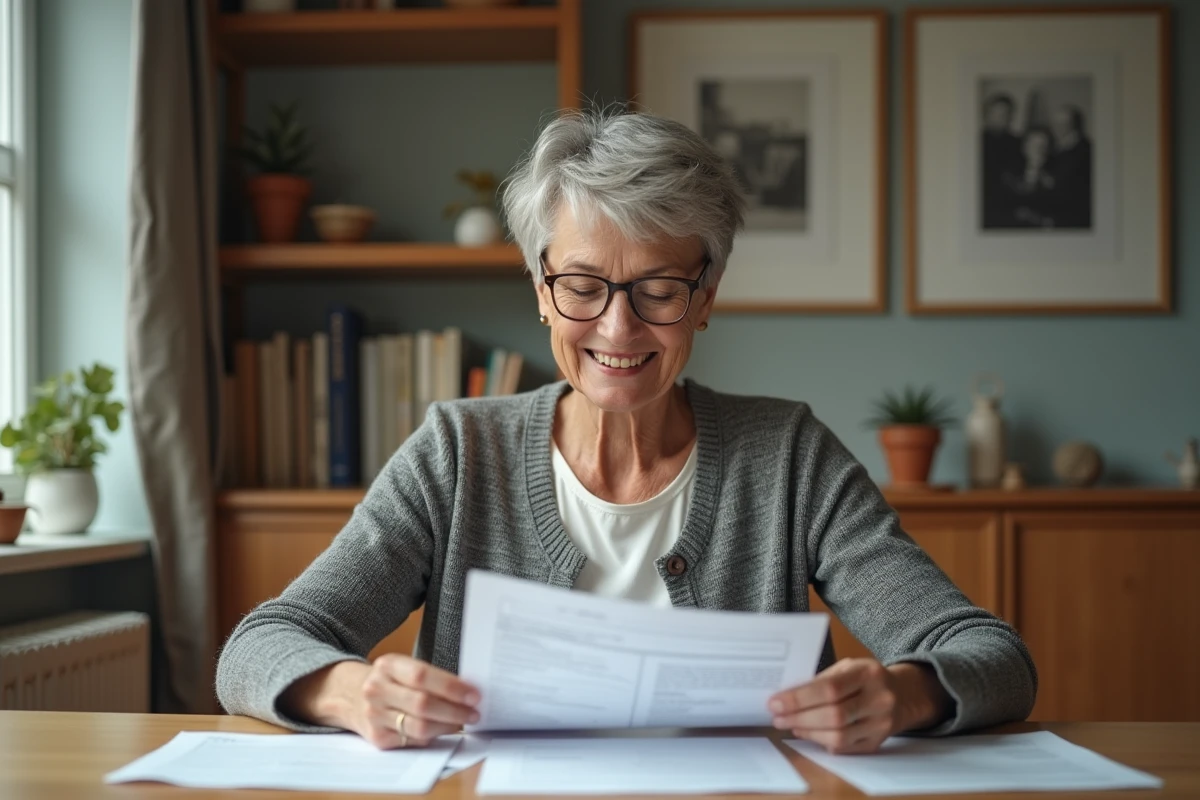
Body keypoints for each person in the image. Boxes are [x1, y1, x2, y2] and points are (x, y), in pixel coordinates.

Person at [216, 109, 1037, 756]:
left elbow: (989, 653)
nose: (618, 328)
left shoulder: (787, 455)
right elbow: (260, 645)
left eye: (659, 288)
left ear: (706, 297)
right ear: (540, 289)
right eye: (582, 285)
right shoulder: (458, 453)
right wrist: (350, 692)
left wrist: (903, 695)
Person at [1047, 104, 1093, 229]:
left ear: (1074, 124)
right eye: (1055, 123)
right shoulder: (1054, 148)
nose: (1058, 128)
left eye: (1064, 123)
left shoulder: (1086, 150)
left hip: (1075, 216)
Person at [980, 92, 1022, 229]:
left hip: (1011, 205)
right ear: (987, 115)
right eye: (997, 114)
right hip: (985, 206)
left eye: (1006, 114)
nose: (1002, 118)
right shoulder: (976, 143)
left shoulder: (1018, 143)